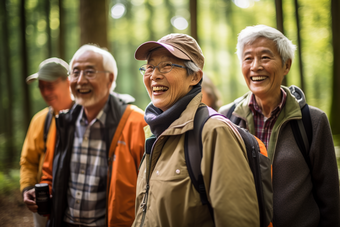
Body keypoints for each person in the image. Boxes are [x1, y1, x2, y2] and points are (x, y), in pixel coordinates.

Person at [132, 33, 259, 227]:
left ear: (195, 76)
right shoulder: (155, 132)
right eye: (149, 67)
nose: (154, 75)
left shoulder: (214, 132)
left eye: (166, 65)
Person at [219, 25, 340, 227]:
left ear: (286, 66)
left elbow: (330, 200)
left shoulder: (313, 121)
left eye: (265, 57)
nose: (255, 66)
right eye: (248, 58)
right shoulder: (226, 117)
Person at [24, 44, 147, 227]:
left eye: (90, 72)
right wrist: (41, 191)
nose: (80, 80)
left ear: (110, 78)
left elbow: (149, 189)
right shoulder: (63, 122)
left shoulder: (136, 123)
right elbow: (50, 173)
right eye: (75, 72)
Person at [20, 57, 73, 227]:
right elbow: (28, 161)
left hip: (77, 205)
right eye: (41, 87)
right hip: (44, 205)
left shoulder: (86, 117)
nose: (45, 92)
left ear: (68, 82)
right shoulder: (39, 120)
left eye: (50, 86)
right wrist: (27, 189)